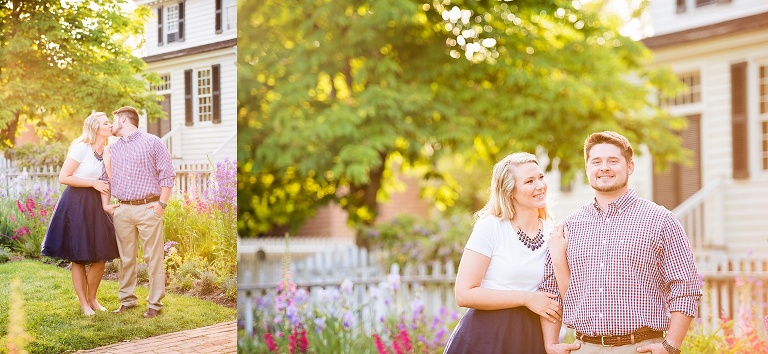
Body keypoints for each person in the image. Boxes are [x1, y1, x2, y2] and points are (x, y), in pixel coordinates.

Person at [539, 131, 702, 354]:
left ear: (630, 167)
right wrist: (550, 344)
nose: (604, 167)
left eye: (613, 161)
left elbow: (685, 287)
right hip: (584, 348)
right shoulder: (568, 228)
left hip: (640, 347)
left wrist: (671, 345)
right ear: (587, 168)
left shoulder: (661, 220)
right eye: (596, 161)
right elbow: (551, 292)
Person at [444, 152, 578, 354]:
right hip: (487, 336)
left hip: (531, 337)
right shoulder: (491, 227)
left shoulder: (554, 234)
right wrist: (527, 298)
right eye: (529, 181)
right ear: (510, 191)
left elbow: (556, 295)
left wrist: (551, 344)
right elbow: (464, 294)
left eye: (541, 177)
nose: (540, 186)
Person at [100, 106, 175, 319]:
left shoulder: (153, 142)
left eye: (114, 121)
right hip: (122, 209)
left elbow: (167, 174)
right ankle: (127, 300)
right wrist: (107, 205)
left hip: (148, 208)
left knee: (153, 257)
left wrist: (162, 204)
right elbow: (105, 178)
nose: (112, 125)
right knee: (126, 258)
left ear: (123, 120)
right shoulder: (112, 149)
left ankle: (155, 304)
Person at [42, 112, 120, 316]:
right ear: (96, 128)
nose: (110, 125)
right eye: (106, 122)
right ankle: (83, 303)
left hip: (97, 204)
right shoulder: (81, 148)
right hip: (75, 204)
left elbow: (108, 181)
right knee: (78, 256)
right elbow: (64, 177)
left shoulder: (109, 150)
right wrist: (92, 183)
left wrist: (107, 203)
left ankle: (93, 299)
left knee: (100, 255)